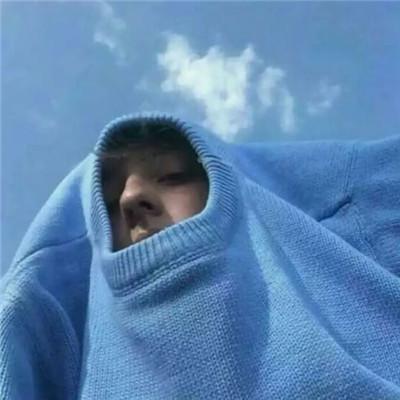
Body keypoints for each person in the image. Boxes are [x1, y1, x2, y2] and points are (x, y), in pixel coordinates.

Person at [1, 113, 399, 399]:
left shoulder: (340, 214)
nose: (131, 197)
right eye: (105, 204)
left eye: (172, 176)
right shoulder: (56, 335)